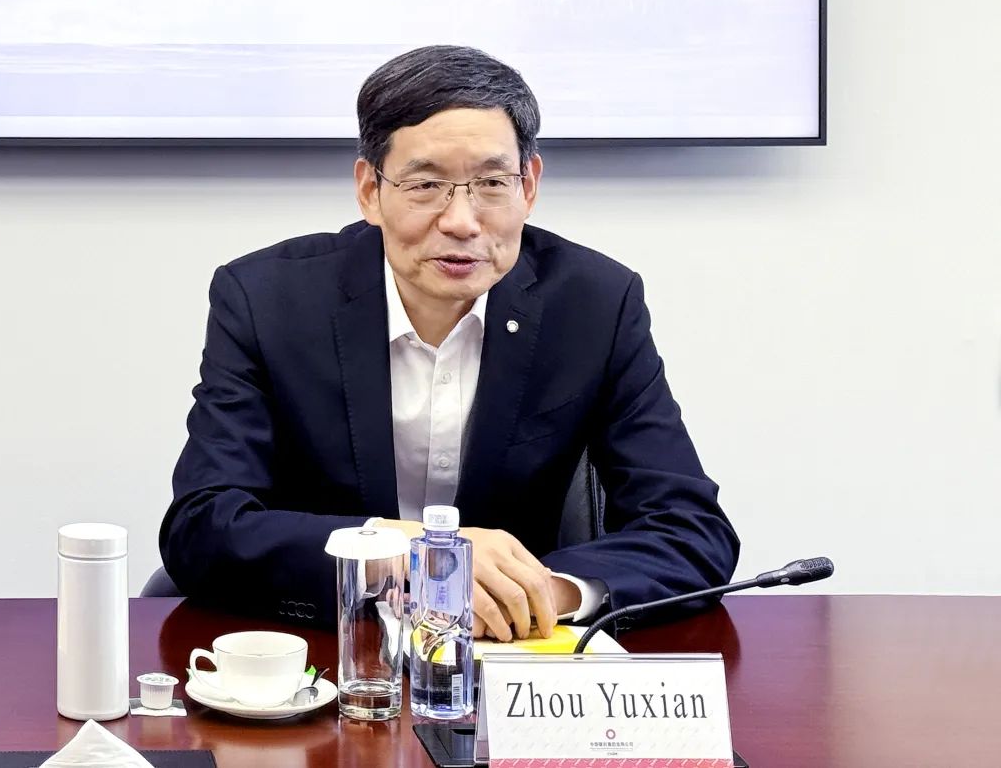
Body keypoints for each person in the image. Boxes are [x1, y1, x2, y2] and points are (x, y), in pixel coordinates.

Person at [160, 45, 738, 640]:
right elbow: (203, 527)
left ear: (529, 186)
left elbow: (691, 531)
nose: (461, 220)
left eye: (492, 183)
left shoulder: (595, 305)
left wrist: (544, 591)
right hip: (332, 647)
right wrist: (411, 555)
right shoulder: (267, 300)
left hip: (511, 652)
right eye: (426, 184)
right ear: (369, 190)